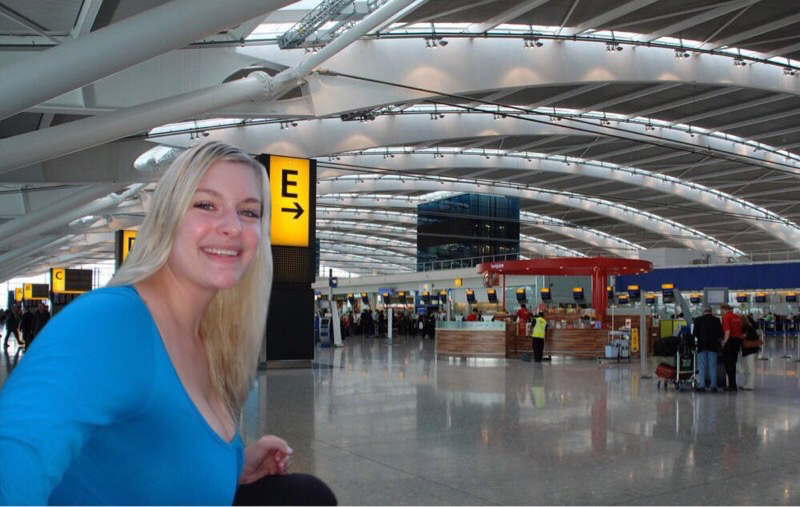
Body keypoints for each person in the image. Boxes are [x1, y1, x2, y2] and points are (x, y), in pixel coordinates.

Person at [0, 142, 336, 505]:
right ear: (166, 217)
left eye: (249, 212)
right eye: (206, 205)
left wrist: (234, 466)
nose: (233, 226)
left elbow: (147, 455)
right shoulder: (112, 324)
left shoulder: (207, 338)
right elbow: (14, 463)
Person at [693, 306, 723, 392]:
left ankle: (702, 385)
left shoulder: (698, 320)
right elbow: (720, 334)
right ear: (711, 311)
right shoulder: (716, 320)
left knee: (702, 366)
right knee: (712, 366)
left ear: (703, 311)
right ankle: (713, 386)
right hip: (713, 346)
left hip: (701, 345)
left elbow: (695, 333)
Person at [720, 302, 743, 392]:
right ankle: (733, 384)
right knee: (733, 364)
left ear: (723, 309)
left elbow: (727, 331)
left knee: (728, 364)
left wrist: (724, 342)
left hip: (730, 342)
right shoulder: (736, 317)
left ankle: (731, 385)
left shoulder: (726, 317)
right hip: (737, 342)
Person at [740, 316, 762, 391]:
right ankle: (747, 383)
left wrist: (745, 336)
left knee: (750, 368)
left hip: (750, 351)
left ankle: (750, 385)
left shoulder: (750, 328)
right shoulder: (745, 328)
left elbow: (754, 336)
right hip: (747, 351)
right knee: (747, 368)